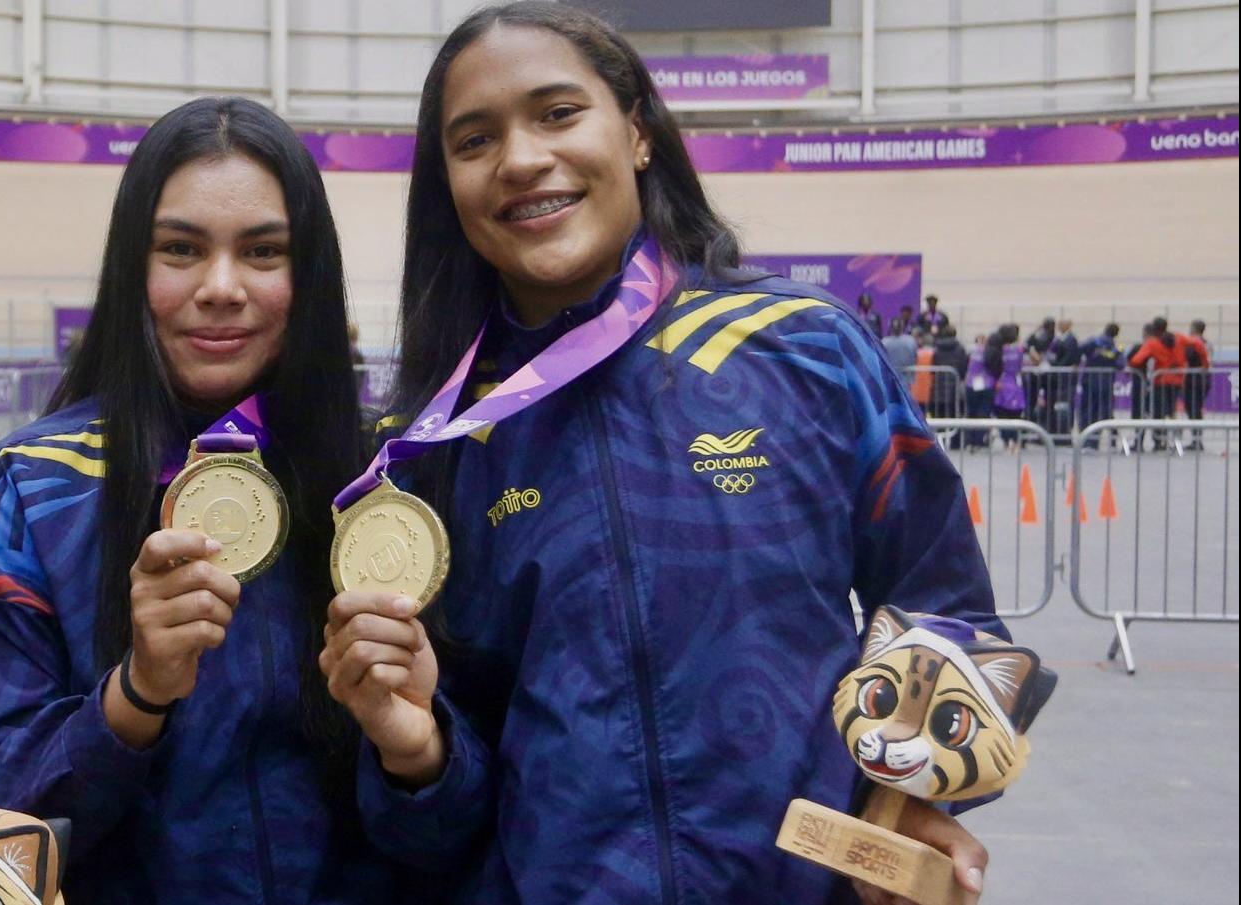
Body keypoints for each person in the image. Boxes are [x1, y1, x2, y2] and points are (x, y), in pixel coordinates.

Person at [370, 4, 1003, 902]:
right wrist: (414, 757)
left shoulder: (806, 348)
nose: (518, 159)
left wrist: (917, 795)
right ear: (448, 182)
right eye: (474, 140)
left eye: (557, 113)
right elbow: (454, 753)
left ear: (636, 132)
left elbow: (945, 599)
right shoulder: (444, 435)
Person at [0, 97, 421, 902]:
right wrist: (135, 695)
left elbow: (466, 827)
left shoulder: (382, 478)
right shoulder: (28, 487)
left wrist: (419, 750)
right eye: (181, 249)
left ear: (312, 274)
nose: (222, 287)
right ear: (134, 265)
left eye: (264, 251)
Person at [1131, 316, 1187, 447]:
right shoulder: (1178, 338)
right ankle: (1175, 438)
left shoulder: (1153, 343)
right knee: (1171, 410)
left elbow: (1136, 360)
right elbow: (1197, 344)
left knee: (1158, 412)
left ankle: (1159, 441)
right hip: (1176, 381)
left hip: (1160, 381)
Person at [1079, 323, 1125, 437]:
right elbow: (1121, 365)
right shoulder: (1117, 348)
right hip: (1106, 383)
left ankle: (1086, 437)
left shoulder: (1092, 342)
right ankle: (1113, 439)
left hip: (1089, 381)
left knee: (1088, 410)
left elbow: (1079, 350)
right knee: (1106, 410)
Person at [1178, 319, 1212, 449]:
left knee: (1193, 409)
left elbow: (1188, 358)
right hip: (1203, 379)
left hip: (1194, 380)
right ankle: (1196, 439)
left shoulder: (1194, 344)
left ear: (1194, 328)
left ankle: (1197, 439)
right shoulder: (1207, 343)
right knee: (1195, 409)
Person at [929, 322, 969, 419]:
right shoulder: (960, 349)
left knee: (939, 415)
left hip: (938, 387)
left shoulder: (937, 349)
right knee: (953, 415)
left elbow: (933, 366)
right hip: (954, 387)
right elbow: (963, 367)